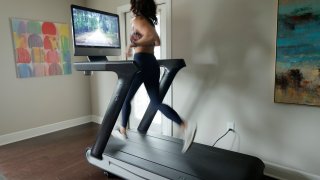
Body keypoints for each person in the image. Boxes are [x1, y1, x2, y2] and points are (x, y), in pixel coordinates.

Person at [112, 0, 196, 153]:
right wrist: (138, 43)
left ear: (135, 5)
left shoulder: (137, 20)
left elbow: (152, 37)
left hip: (141, 63)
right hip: (152, 63)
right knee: (156, 102)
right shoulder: (148, 21)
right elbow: (156, 40)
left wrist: (132, 45)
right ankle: (184, 126)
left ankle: (123, 130)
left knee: (125, 98)